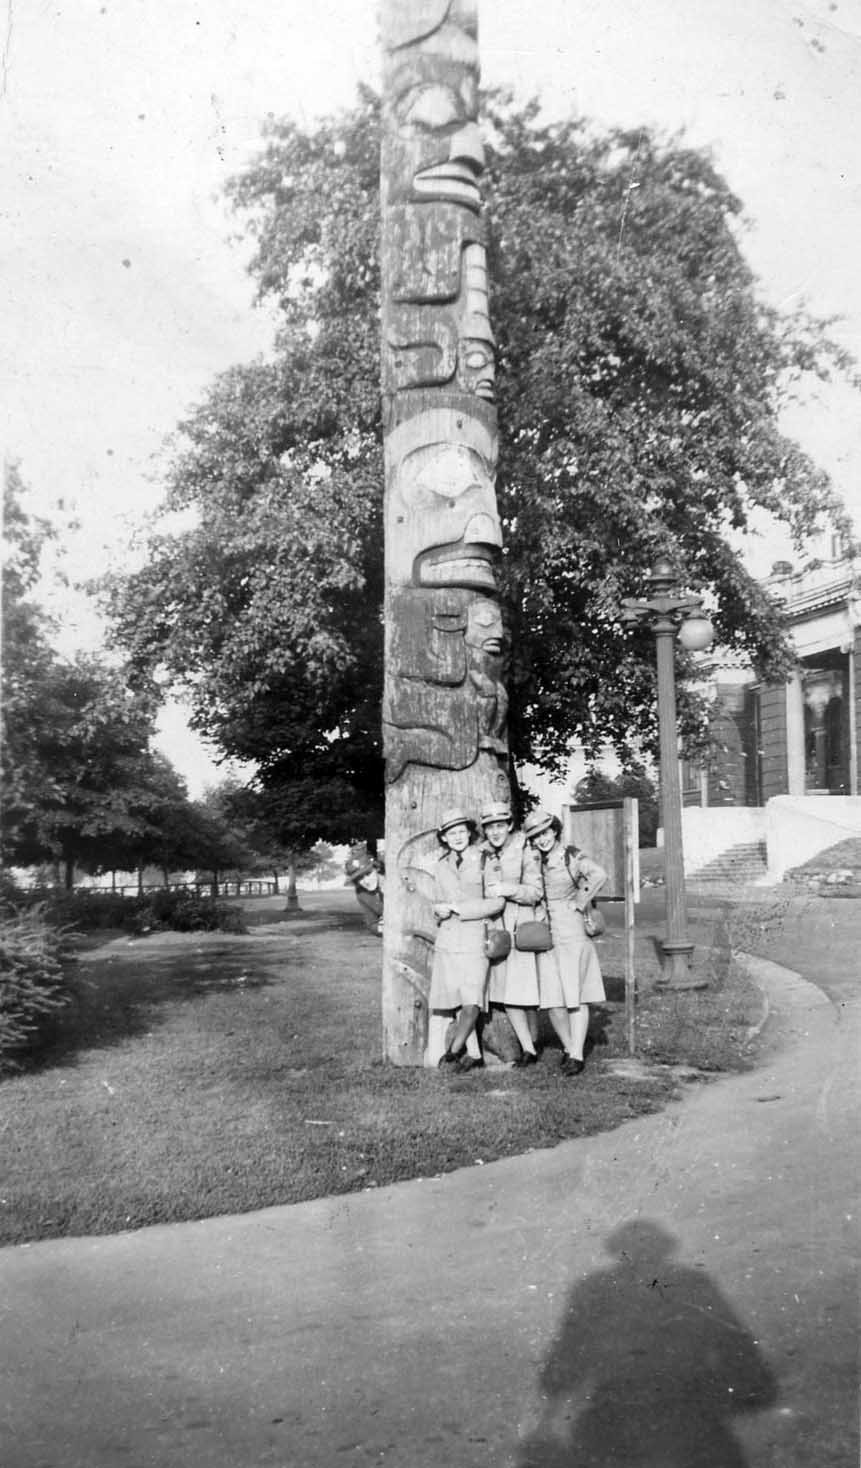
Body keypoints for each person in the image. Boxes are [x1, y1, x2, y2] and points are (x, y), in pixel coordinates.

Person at [522, 808, 607, 1077]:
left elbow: (599, 875)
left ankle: (578, 1055)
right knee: (553, 1001)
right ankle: (570, 1048)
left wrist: (579, 902)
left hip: (571, 932)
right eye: (536, 836)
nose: (542, 839)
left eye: (545, 832)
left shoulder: (571, 855)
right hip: (547, 935)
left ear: (555, 830)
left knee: (576, 997)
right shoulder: (535, 860)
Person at [431, 807, 504, 1072]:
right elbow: (438, 900)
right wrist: (438, 909)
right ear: (444, 837)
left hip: (476, 939)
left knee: (472, 1000)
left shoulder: (486, 859)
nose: (457, 836)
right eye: (452, 833)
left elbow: (497, 902)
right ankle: (474, 1054)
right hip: (449, 941)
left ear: (470, 833)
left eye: (462, 831)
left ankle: (453, 1053)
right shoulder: (441, 865)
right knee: (456, 1000)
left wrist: (460, 909)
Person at [480, 799, 543, 1067]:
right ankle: (528, 1049)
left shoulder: (524, 849)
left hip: (520, 930)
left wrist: (507, 889)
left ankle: (534, 1042)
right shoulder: (480, 853)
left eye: (500, 825)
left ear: (509, 825)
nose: (495, 832)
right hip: (495, 931)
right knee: (506, 994)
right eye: (490, 827)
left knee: (525, 994)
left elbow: (535, 892)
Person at [344, 849, 384, 934]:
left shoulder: (394, 882)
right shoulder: (362, 894)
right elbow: (371, 923)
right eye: (360, 879)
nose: (366, 881)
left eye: (368, 874)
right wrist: (380, 928)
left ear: (376, 869)